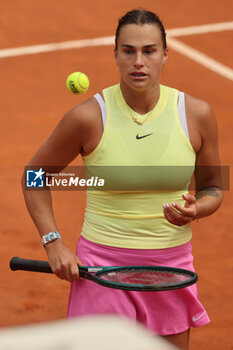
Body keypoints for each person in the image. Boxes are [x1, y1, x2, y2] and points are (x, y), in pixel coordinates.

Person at [22, 9, 223, 350]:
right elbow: (34, 176)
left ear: (165, 54)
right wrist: (52, 241)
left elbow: (213, 188)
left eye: (149, 51)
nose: (139, 62)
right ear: (115, 55)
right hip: (102, 269)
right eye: (128, 51)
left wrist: (198, 208)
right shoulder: (87, 117)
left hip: (169, 270)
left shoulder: (197, 115)